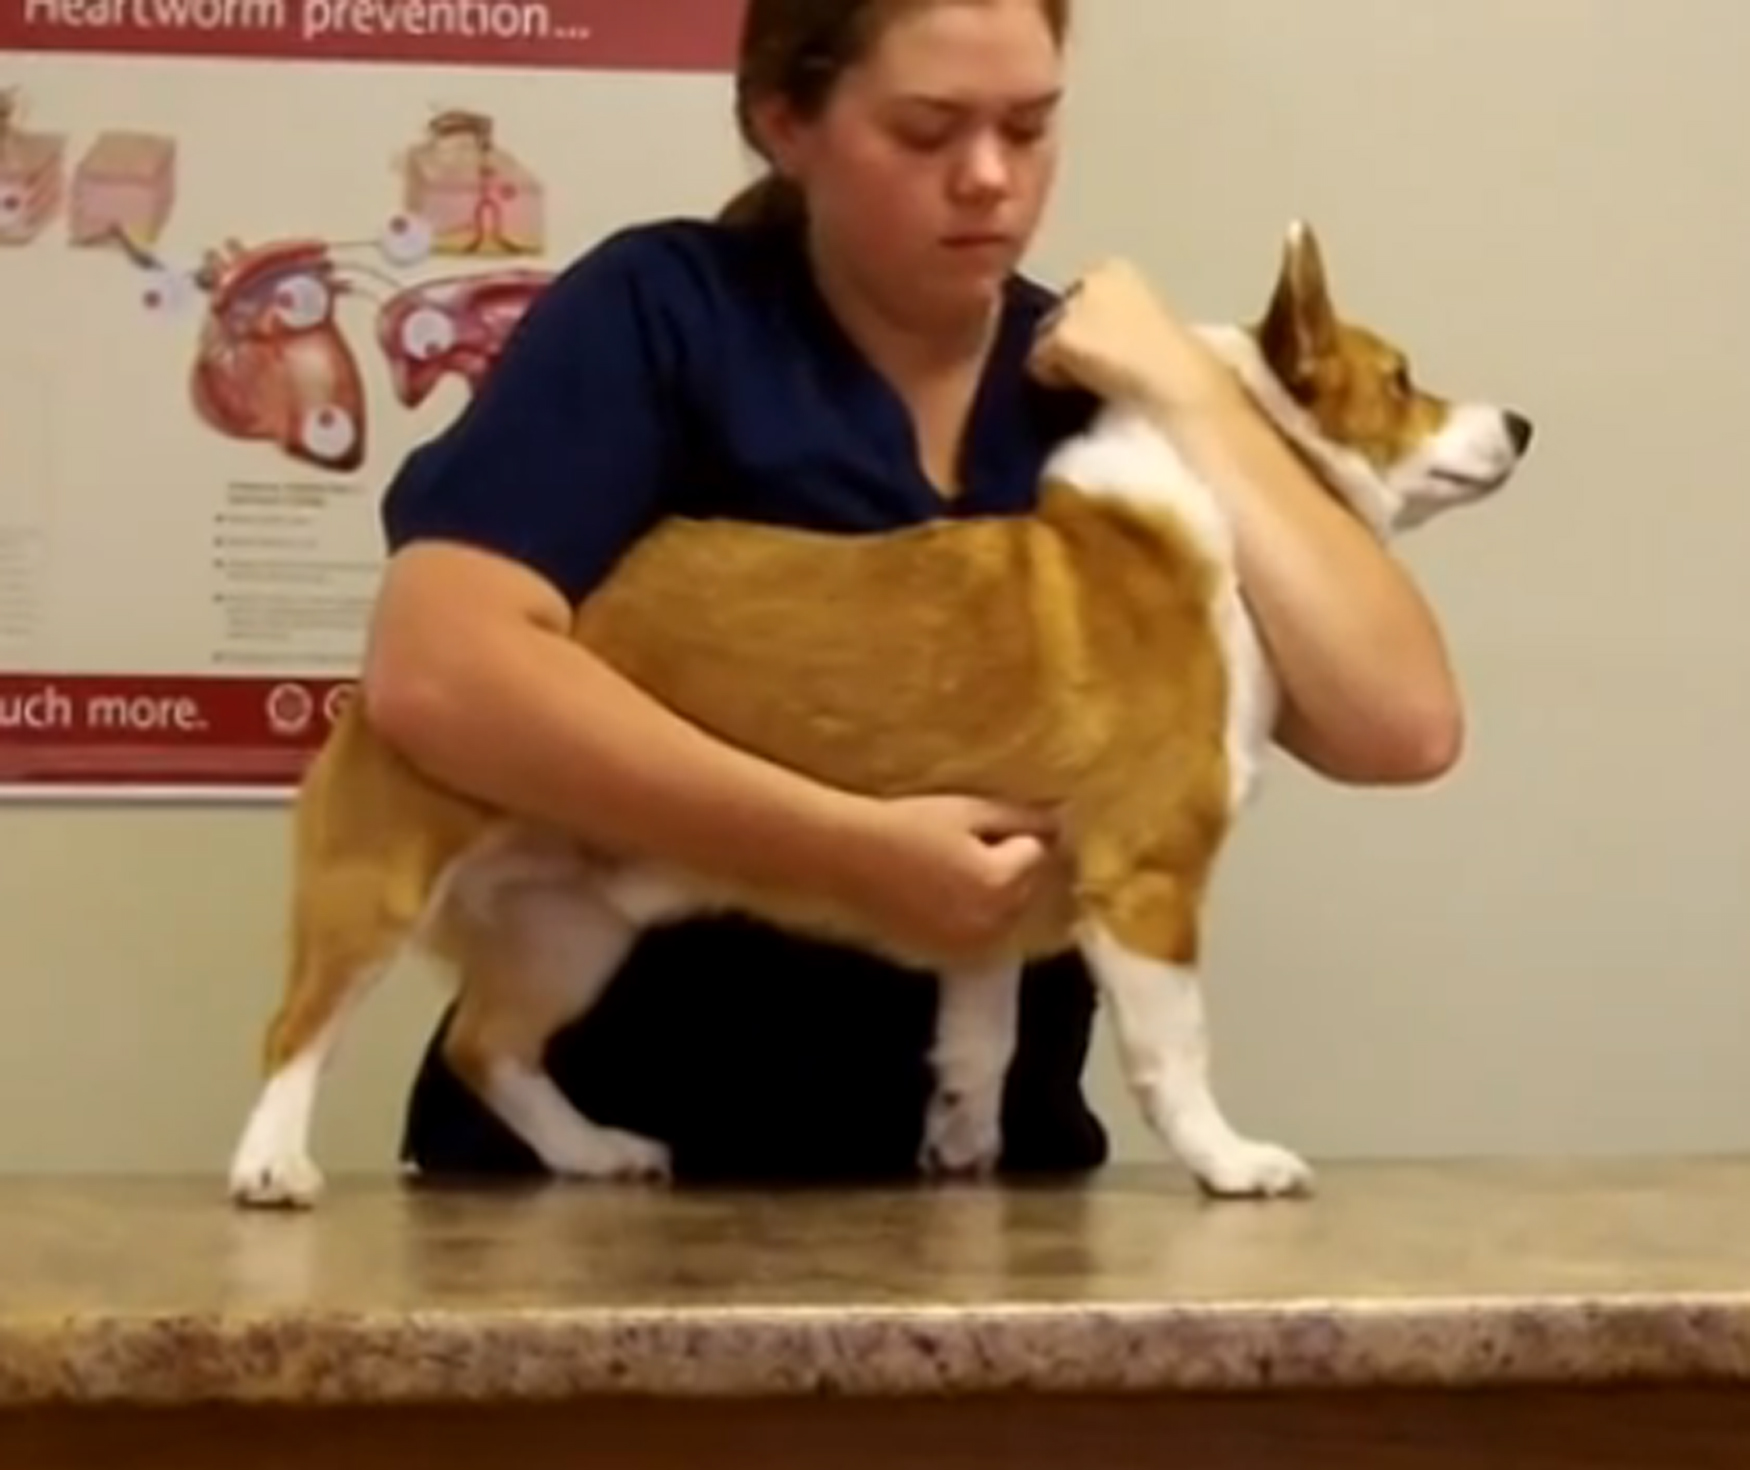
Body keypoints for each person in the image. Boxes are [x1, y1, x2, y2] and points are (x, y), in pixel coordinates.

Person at [363, 0, 1465, 1184]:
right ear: (786, 123)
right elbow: (440, 670)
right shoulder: (659, 315)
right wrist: (849, 853)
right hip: (608, 1168)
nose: (988, 177)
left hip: (993, 1185)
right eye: (927, 131)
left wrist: (1195, 392)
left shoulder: (1093, 388)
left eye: (1028, 128)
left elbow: (1398, 725)